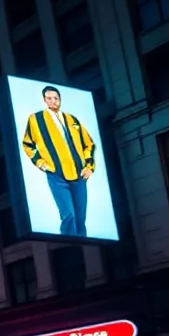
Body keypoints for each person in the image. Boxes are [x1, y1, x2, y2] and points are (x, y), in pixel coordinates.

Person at [21, 85, 96, 237]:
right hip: (56, 175)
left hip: (79, 176)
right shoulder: (35, 119)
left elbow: (89, 144)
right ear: (44, 100)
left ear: (60, 100)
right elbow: (27, 144)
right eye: (49, 98)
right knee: (69, 215)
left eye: (56, 98)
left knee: (80, 219)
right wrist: (41, 163)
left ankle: (84, 246)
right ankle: (69, 246)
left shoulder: (72, 119)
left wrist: (90, 167)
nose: (53, 101)